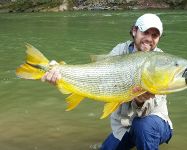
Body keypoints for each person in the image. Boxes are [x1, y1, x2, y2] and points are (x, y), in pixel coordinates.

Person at [41, 13, 173, 150]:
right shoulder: (119, 51)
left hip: (154, 123)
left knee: (143, 127)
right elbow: (96, 74)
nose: (149, 39)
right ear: (134, 31)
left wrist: (140, 101)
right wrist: (59, 70)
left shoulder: (161, 62)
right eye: (145, 32)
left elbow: (150, 110)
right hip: (124, 127)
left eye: (154, 35)